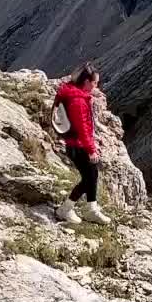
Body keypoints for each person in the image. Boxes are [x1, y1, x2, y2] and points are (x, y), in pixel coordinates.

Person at [53, 62, 108, 225]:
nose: (96, 85)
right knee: (89, 178)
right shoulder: (77, 100)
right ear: (86, 82)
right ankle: (66, 209)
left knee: (91, 176)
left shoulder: (73, 92)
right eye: (95, 82)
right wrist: (91, 149)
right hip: (78, 146)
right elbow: (83, 128)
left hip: (75, 144)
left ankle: (91, 209)